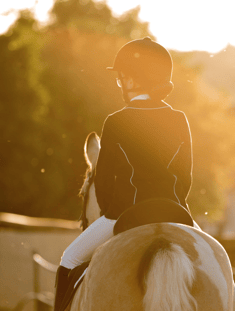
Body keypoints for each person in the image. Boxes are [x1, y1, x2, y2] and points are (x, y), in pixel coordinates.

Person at [54, 37, 200, 311]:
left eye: (123, 78)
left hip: (125, 214)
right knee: (216, 256)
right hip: (177, 212)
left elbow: (106, 184)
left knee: (70, 258)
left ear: (136, 80)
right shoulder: (180, 119)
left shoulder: (116, 121)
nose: (120, 85)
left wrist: (113, 211)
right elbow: (185, 179)